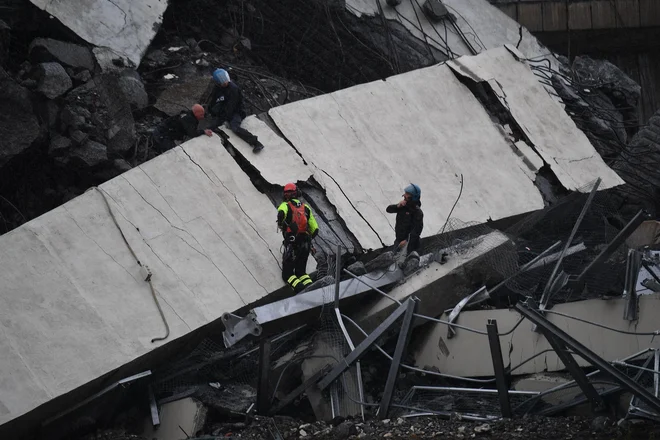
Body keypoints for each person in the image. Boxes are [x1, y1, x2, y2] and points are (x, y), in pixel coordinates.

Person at [208, 68, 264, 153]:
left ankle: (256, 142)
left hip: (236, 112)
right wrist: (212, 112)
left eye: (226, 81)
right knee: (211, 127)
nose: (225, 83)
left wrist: (224, 119)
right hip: (223, 111)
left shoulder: (233, 89)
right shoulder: (217, 89)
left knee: (235, 127)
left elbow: (231, 107)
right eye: (223, 83)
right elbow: (213, 101)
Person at [277, 182, 319, 293]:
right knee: (301, 272)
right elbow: (315, 229)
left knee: (287, 274)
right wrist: (307, 239)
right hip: (306, 242)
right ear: (298, 193)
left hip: (291, 241)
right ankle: (312, 289)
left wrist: (284, 225)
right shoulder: (306, 208)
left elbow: (281, 213)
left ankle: (300, 291)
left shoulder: (285, 205)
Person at [386, 183, 424, 255]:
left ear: (413, 196)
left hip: (410, 244)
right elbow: (388, 209)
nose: (404, 195)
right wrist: (397, 206)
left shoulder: (417, 212)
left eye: (407, 194)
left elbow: (417, 230)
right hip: (399, 240)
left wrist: (406, 240)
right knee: (394, 260)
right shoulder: (403, 206)